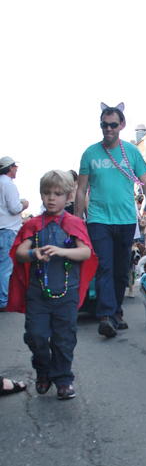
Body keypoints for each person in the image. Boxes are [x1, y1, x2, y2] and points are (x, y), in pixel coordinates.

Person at [8, 171, 97, 399]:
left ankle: (63, 378)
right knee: (35, 336)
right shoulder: (34, 224)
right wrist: (33, 252)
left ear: (68, 197)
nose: (51, 198)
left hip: (66, 294)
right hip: (38, 295)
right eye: (46, 193)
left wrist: (62, 251)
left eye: (57, 194)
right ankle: (43, 370)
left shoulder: (74, 223)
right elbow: (19, 253)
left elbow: (86, 251)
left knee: (64, 338)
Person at [75, 103, 146, 338]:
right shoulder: (90, 153)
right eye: (104, 124)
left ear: (121, 125)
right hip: (98, 220)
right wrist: (77, 223)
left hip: (125, 221)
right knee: (104, 267)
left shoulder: (131, 151)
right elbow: (81, 191)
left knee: (121, 271)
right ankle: (105, 316)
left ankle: (116, 313)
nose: (108, 129)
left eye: (113, 125)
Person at [0, 157, 29, 310]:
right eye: (14, 166)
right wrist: (24, 204)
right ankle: (3, 301)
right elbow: (14, 208)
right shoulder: (8, 184)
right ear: (9, 168)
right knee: (5, 267)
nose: (16, 168)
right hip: (8, 229)